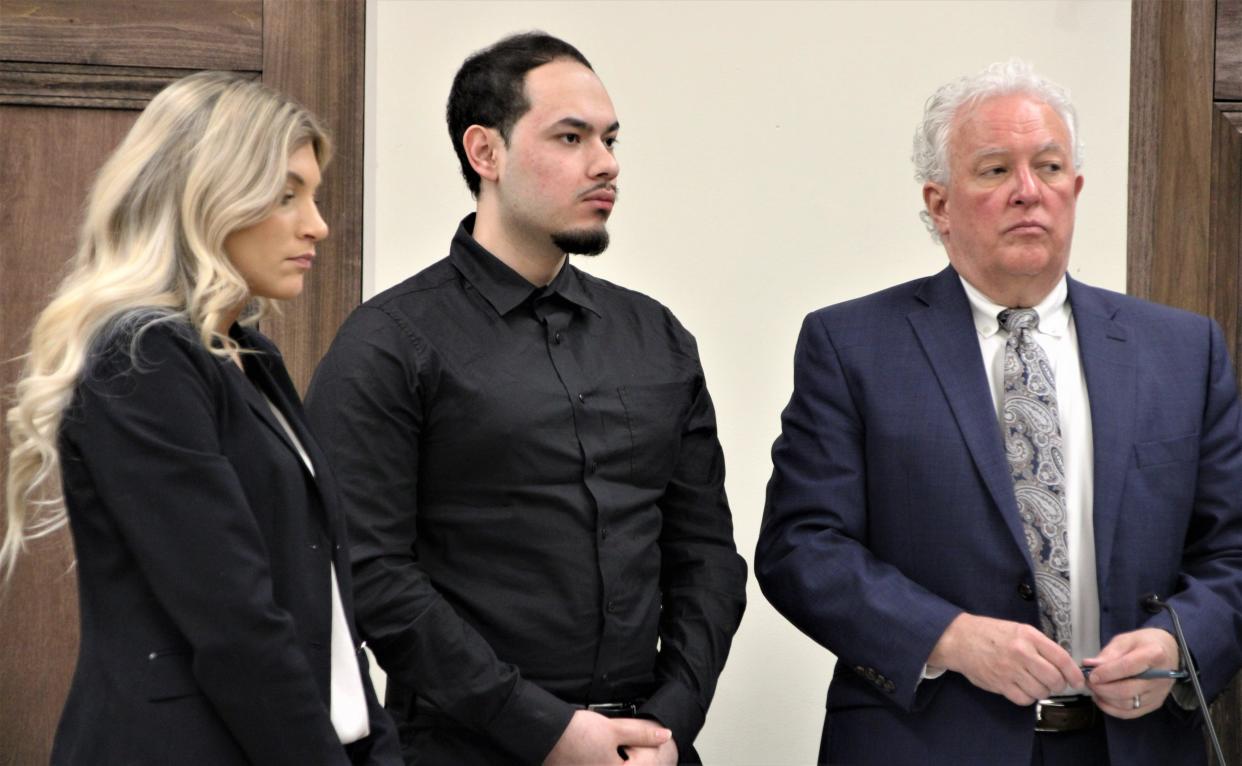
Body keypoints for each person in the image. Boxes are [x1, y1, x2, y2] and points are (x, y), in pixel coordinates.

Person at [755, 60, 1242, 765]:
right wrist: (948, 637)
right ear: (940, 203)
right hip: (927, 741)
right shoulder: (852, 346)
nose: (1027, 192)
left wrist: (1177, 642)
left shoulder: (1181, 349)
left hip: (1134, 744)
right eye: (993, 170)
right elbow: (801, 546)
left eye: (1048, 167)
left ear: (1075, 189)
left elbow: (1230, 550)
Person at [304, 32, 747, 766]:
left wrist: (670, 724)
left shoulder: (656, 336)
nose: (605, 163)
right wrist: (544, 730)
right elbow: (370, 573)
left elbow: (706, 557)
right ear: (486, 153)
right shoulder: (387, 343)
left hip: (650, 749)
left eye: (608, 138)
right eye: (570, 137)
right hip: (462, 748)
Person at [2, 71, 401, 766]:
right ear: (206, 198)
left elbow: (325, 600)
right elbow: (235, 620)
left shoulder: (251, 355)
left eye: (313, 193)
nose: (318, 224)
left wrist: (375, 744)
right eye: (285, 195)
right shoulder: (143, 358)